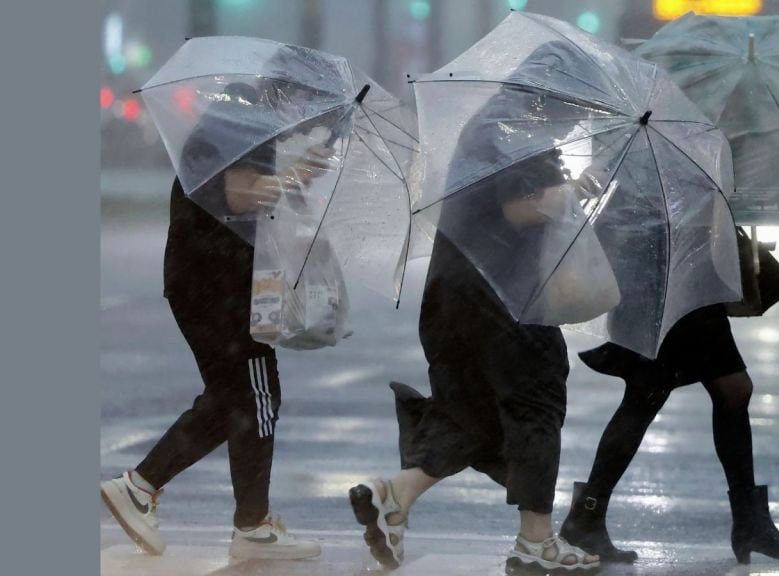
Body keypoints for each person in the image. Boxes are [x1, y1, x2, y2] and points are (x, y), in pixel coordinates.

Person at [347, 42, 601, 574]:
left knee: (474, 410)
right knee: (536, 404)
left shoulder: (494, 125)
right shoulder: (518, 135)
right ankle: (536, 542)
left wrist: (568, 189)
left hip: (452, 292)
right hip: (502, 295)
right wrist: (569, 195)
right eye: (575, 106)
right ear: (551, 96)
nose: (577, 118)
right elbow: (519, 210)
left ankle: (395, 495)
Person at [100, 80, 334, 560]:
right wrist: (296, 174)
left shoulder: (236, 120)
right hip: (216, 285)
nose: (301, 118)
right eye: (301, 106)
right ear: (283, 96)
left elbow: (238, 194)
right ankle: (248, 525)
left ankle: (145, 487)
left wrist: (294, 175)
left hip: (207, 281)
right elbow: (240, 194)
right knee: (256, 394)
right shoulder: (241, 124)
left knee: (235, 399)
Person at [559, 230, 779, 565]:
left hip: (690, 277)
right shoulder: (648, 178)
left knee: (692, 392)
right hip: (663, 279)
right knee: (666, 393)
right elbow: (632, 217)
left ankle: (749, 522)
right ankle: (586, 517)